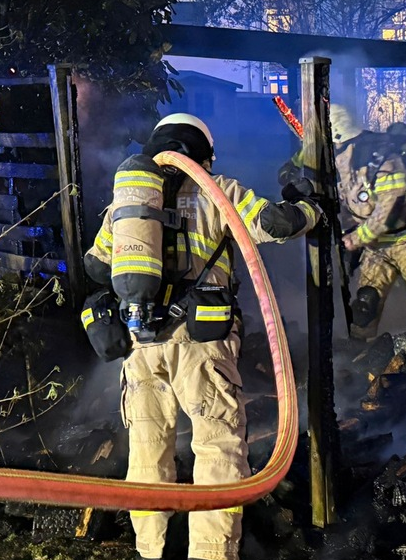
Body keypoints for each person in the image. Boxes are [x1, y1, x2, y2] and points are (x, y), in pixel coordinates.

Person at [83, 113, 320, 560]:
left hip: (142, 342)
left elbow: (97, 266)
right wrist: (313, 209)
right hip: (202, 344)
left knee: (147, 452)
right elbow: (275, 223)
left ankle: (152, 550)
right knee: (217, 450)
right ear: (204, 154)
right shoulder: (217, 191)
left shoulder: (129, 200)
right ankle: (211, 554)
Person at [325, 104, 406, 342]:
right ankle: (358, 362)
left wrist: (356, 238)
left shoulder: (385, 163)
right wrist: (347, 233)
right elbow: (348, 205)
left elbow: (389, 209)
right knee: (365, 306)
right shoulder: (345, 165)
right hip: (376, 248)